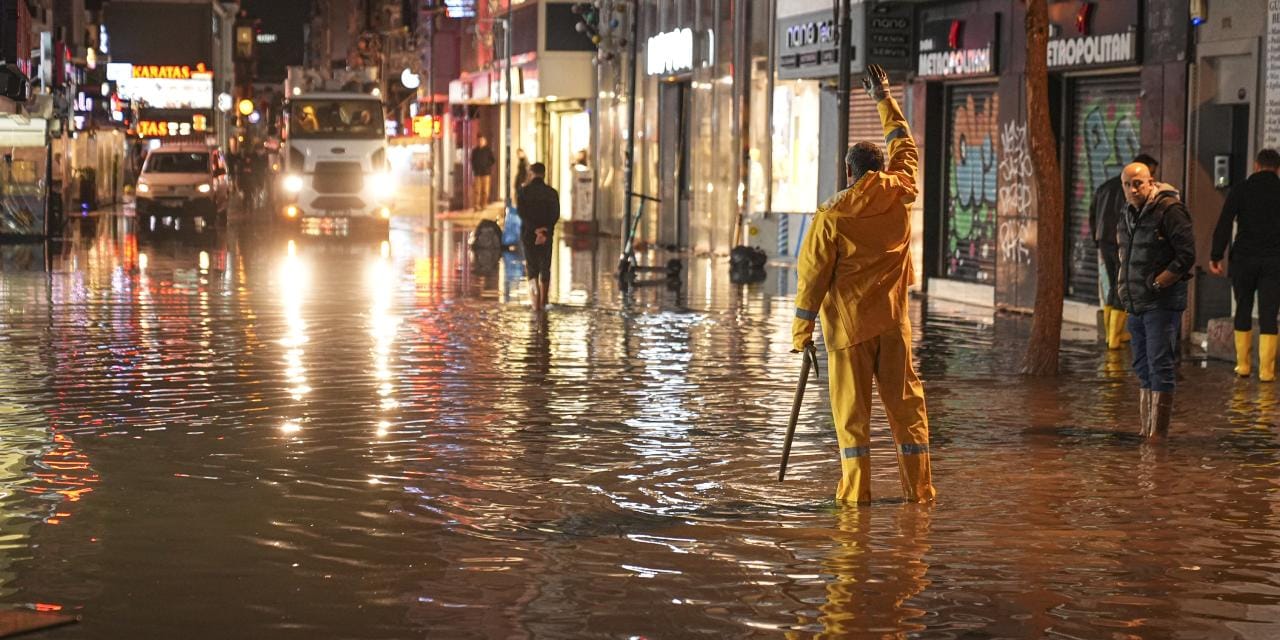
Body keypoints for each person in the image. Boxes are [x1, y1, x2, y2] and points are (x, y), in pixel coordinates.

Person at [791, 64, 934, 504]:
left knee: (852, 422)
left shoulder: (832, 216)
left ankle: (856, 500)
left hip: (849, 332)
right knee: (908, 414)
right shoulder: (900, 191)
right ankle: (920, 495)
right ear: (880, 166)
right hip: (894, 327)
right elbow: (906, 146)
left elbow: (812, 279)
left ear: (847, 171)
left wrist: (801, 334)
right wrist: (883, 97)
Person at [1116, 162, 1196, 438]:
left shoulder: (1170, 210)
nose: (1133, 189)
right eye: (1127, 184)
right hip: (1135, 301)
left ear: (1151, 181)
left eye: (1138, 182)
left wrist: (1158, 283)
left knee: (1160, 363)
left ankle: (1157, 437)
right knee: (1141, 365)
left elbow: (1186, 256)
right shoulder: (1127, 212)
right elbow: (1125, 256)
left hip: (1161, 302)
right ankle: (1146, 430)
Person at [1210, 149, 1280, 382]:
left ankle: (1243, 366)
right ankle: (1267, 372)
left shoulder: (1241, 189)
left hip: (1244, 259)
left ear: (1256, 165)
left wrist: (1216, 255)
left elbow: (1224, 222)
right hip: (1274, 261)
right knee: (1269, 313)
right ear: (1278, 169)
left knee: (1243, 308)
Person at [1091, 153, 1159, 350]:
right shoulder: (1134, 190)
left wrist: (1097, 239)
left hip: (1104, 239)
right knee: (1122, 287)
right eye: (1151, 173)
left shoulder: (1106, 186)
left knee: (1113, 284)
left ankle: (1110, 335)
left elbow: (1092, 214)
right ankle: (1114, 338)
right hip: (1122, 242)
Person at [517, 162, 559, 311]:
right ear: (544, 173)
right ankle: (543, 303)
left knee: (532, 267)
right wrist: (543, 230)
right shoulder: (552, 193)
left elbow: (521, 213)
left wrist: (534, 229)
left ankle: (535, 305)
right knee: (545, 266)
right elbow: (555, 214)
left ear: (531, 173)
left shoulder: (523, 192)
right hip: (546, 234)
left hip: (529, 234)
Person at [471, 136, 496, 211]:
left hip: (486, 173)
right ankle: (476, 205)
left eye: (482, 140)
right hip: (477, 173)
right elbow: (472, 160)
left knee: (485, 190)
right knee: (477, 190)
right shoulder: (475, 151)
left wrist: (487, 165)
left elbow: (493, 160)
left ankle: (484, 204)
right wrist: (474, 168)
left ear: (485, 142)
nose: (480, 142)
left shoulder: (488, 150)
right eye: (479, 141)